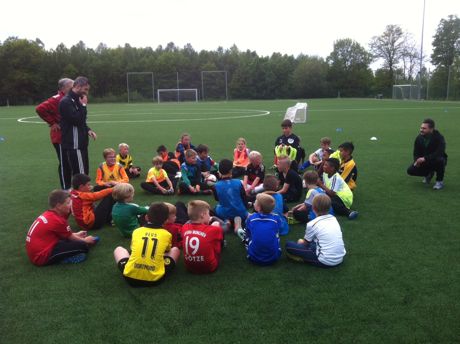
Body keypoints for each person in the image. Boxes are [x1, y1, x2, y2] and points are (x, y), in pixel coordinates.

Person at [113, 202, 180, 287]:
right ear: (166, 220)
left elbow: (132, 250)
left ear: (146, 217)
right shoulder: (166, 234)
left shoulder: (137, 231)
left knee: (119, 249)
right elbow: (166, 252)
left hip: (130, 278)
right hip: (155, 279)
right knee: (175, 250)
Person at [25, 189, 98, 266]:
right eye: (67, 203)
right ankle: (65, 259)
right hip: (40, 257)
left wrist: (76, 234)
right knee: (83, 246)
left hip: (38, 251)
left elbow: (65, 234)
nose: (70, 205)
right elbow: (70, 237)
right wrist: (85, 240)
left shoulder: (49, 214)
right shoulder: (57, 220)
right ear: (59, 206)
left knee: (73, 242)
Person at [285, 194, 346, 268]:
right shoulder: (333, 218)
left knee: (289, 245)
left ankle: (303, 259)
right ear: (330, 207)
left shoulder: (312, 224)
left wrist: (301, 242)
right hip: (340, 258)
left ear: (313, 208)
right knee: (314, 243)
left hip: (325, 261)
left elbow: (305, 244)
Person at [35, 78, 74, 189]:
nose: (73, 89)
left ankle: (71, 186)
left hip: (69, 136)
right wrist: (52, 123)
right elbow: (40, 108)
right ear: (63, 88)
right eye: (71, 87)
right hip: (60, 137)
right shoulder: (57, 99)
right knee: (64, 163)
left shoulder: (70, 98)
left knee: (70, 162)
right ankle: (66, 189)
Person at [59, 76, 97, 177]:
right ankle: (79, 193)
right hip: (74, 145)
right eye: (85, 89)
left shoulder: (77, 100)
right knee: (80, 174)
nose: (87, 92)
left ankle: (83, 191)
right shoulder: (66, 102)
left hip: (81, 143)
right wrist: (83, 106)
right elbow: (77, 120)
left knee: (84, 171)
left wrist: (88, 130)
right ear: (78, 86)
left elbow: (81, 121)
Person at [180, 200, 224, 274]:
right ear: (203, 215)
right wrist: (214, 225)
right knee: (216, 225)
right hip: (209, 267)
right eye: (208, 214)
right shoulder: (213, 229)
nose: (209, 216)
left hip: (189, 267)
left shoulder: (184, 227)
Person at [239, 193, 282, 266]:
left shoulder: (251, 218)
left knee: (248, 235)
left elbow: (249, 233)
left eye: (255, 201)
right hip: (274, 257)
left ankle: (246, 241)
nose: (254, 202)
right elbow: (277, 229)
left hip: (254, 258)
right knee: (275, 235)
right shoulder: (276, 218)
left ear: (258, 208)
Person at [407, 118, 447, 190]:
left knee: (441, 160)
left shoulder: (439, 138)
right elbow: (416, 152)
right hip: (424, 161)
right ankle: (428, 173)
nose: (421, 130)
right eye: (421, 128)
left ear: (431, 129)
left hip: (435, 160)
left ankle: (439, 181)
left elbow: (439, 152)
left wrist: (425, 158)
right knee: (410, 171)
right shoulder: (419, 138)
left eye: (424, 128)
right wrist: (417, 161)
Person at [213, 159, 248, 229]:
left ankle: (227, 221)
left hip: (225, 213)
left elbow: (217, 199)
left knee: (216, 208)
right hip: (241, 213)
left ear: (219, 171)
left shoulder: (216, 186)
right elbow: (244, 198)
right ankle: (238, 222)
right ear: (231, 171)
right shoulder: (238, 182)